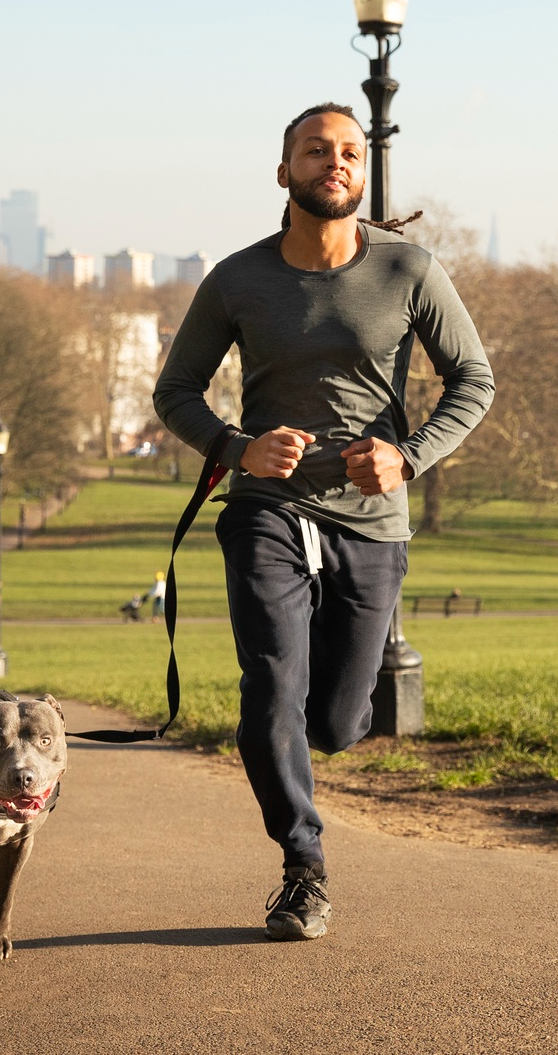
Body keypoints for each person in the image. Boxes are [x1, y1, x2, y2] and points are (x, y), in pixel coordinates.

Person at [152, 101, 494, 942]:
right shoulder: (237, 278)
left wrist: (407, 457)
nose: (334, 162)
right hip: (268, 509)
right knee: (273, 685)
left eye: (349, 152)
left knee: (339, 722)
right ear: (285, 172)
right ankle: (303, 866)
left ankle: (288, 738)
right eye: (315, 150)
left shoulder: (409, 270)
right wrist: (238, 448)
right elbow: (176, 391)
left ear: (362, 174)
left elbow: (474, 382)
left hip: (371, 520)